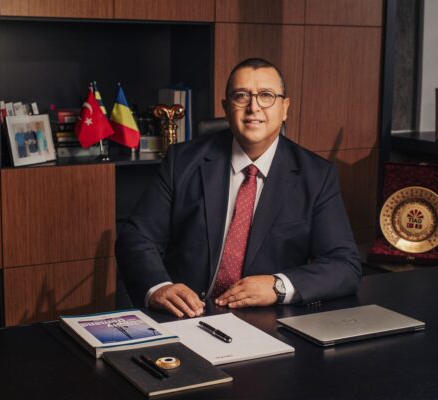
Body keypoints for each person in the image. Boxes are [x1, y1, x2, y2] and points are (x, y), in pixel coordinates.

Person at [116, 58, 361, 318]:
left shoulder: (316, 175)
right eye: (241, 96)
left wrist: (278, 286)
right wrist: (159, 287)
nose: (253, 107)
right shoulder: (183, 161)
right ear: (226, 107)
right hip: (187, 316)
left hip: (266, 322)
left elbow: (344, 265)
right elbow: (136, 237)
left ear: (285, 108)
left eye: (266, 95)